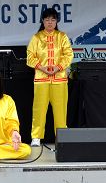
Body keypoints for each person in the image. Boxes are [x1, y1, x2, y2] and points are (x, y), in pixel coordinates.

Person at [26, 8, 73, 147]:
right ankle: (36, 137)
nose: (50, 22)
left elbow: (68, 55)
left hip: (59, 79)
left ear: (57, 21)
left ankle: (61, 136)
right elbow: (30, 57)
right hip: (41, 79)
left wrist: (58, 68)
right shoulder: (36, 37)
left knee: (60, 109)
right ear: (42, 21)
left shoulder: (62, 36)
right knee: (39, 109)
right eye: (47, 19)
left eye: (53, 19)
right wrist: (42, 68)